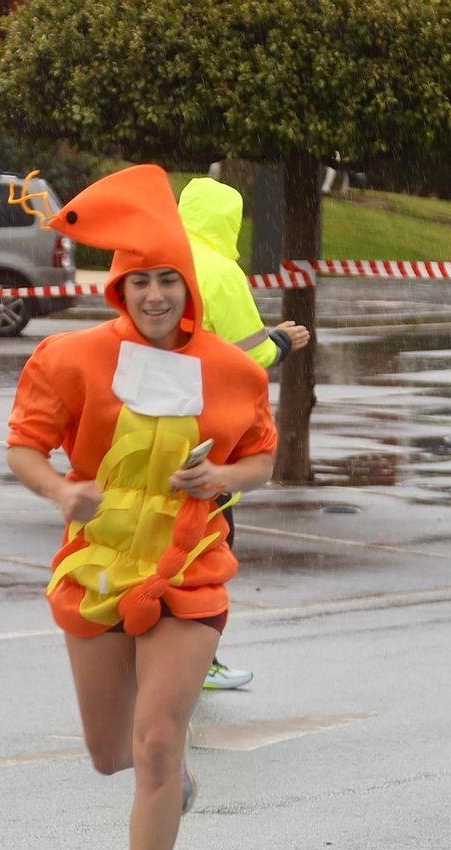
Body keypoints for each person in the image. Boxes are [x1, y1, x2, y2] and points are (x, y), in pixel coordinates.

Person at [6, 165, 276, 850]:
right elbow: (22, 446)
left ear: (187, 287)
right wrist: (62, 488)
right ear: (119, 287)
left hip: (190, 567)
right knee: (109, 751)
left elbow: (261, 459)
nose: (155, 296)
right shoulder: (72, 358)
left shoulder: (232, 369)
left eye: (168, 281)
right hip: (96, 568)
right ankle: (172, 770)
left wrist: (218, 479)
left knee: (156, 742)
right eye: (141, 282)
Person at [178, 176, 310, 692]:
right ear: (229, 219)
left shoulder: (155, 257)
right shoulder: (220, 271)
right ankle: (197, 657)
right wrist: (281, 341)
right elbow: (245, 353)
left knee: (154, 542)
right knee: (208, 543)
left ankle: (146, 648)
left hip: (146, 426)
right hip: (208, 428)